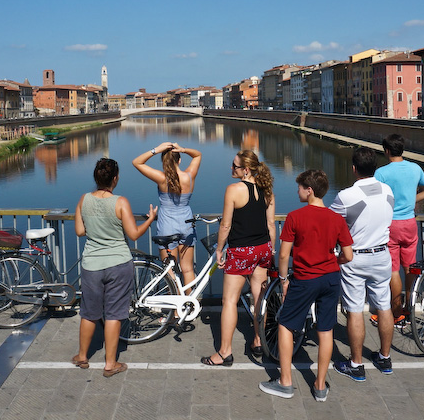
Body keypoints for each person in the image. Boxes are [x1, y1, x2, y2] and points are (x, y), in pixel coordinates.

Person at [259, 169, 353, 401]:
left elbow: (284, 256)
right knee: (326, 330)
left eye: (299, 187)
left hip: (305, 278)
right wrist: (333, 261)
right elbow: (348, 255)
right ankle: (320, 386)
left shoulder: (295, 217)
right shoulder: (336, 219)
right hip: (331, 278)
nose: (297, 191)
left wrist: (283, 280)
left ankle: (286, 382)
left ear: (309, 190)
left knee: (285, 324)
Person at [71, 157, 157, 378]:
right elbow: (134, 234)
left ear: (96, 177)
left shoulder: (84, 199)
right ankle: (110, 364)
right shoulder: (120, 202)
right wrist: (150, 219)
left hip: (91, 264)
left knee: (89, 313)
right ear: (115, 178)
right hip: (118, 263)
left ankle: (82, 356)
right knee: (113, 315)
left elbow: (80, 232)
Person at [202, 149, 276, 366]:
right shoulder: (267, 190)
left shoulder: (233, 190)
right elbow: (271, 224)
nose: (230, 169)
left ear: (245, 170)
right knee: (259, 299)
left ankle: (225, 352)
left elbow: (225, 224)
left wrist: (219, 249)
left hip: (241, 251)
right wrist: (270, 249)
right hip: (262, 248)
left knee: (230, 301)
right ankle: (258, 340)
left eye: (234, 166)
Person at [330, 147, 396, 381]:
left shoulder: (347, 196)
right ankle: (385, 358)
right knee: (384, 306)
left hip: (355, 257)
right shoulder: (387, 191)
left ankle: (356, 364)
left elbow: (331, 223)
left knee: (355, 310)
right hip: (382, 255)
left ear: (354, 168)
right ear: (375, 168)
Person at [374, 133, 424, 323]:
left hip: (390, 225)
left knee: (393, 270)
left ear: (387, 151)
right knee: (409, 268)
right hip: (409, 224)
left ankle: (396, 311)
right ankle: (410, 306)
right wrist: (409, 201)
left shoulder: (381, 173)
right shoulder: (415, 168)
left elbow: (374, 199)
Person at [132, 142, 202, 286]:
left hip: (167, 225)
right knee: (188, 269)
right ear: (179, 160)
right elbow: (197, 155)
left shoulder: (161, 178)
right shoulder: (189, 176)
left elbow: (137, 162)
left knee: (170, 271)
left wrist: (156, 149)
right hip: (187, 225)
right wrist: (183, 148)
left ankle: (175, 308)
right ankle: (187, 306)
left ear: (164, 161)